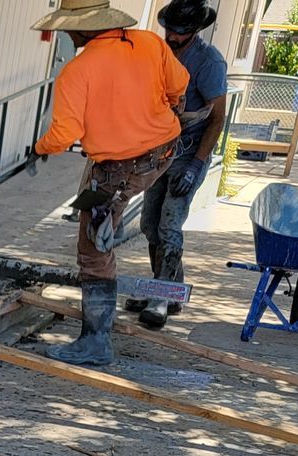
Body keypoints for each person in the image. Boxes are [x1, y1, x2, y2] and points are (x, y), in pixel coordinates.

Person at [29, 0, 188, 365]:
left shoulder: (77, 70)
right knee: (89, 211)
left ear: (86, 28)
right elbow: (179, 84)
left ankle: (95, 342)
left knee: (93, 250)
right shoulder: (148, 42)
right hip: (162, 151)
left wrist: (38, 149)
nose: (66, 33)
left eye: (69, 26)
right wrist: (167, 108)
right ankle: (92, 227)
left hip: (119, 168)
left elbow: (64, 132)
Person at [129, 0, 227, 330]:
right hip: (160, 149)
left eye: (179, 32)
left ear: (195, 30)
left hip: (188, 152)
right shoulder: (162, 53)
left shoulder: (209, 62)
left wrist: (196, 166)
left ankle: (161, 297)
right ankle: (169, 289)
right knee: (149, 224)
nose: (171, 36)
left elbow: (216, 120)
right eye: (169, 29)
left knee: (170, 225)